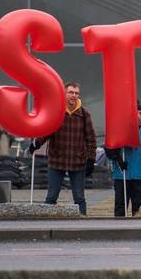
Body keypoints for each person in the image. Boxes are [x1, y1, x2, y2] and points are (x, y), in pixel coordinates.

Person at [32, 83, 97, 215]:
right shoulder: (55, 111)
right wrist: (36, 143)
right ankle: (46, 221)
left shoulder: (84, 115)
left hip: (77, 161)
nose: (74, 95)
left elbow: (91, 139)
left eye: (76, 93)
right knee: (51, 197)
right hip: (57, 159)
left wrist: (91, 159)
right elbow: (46, 131)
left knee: (79, 198)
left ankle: (82, 221)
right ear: (64, 94)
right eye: (71, 92)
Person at [105, 102, 141, 217]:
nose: (138, 115)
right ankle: (119, 227)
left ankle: (139, 227)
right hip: (122, 174)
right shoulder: (118, 129)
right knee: (120, 206)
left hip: (139, 175)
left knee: (139, 207)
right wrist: (118, 159)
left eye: (140, 113)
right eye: (135, 112)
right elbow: (109, 149)